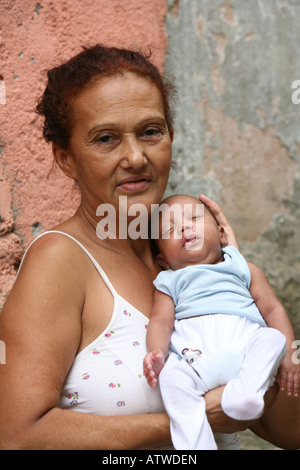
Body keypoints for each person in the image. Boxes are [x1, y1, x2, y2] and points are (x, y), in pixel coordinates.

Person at [0, 45, 299, 450]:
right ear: (66, 158)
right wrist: (192, 417)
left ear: (171, 136)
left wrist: (236, 290)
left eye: (150, 132)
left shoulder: (193, 260)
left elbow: (289, 431)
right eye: (106, 138)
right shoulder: (60, 262)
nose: (136, 157)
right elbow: (17, 437)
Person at [143, 194, 299, 449]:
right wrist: (156, 352)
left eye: (194, 217)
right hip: (196, 359)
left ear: (221, 232)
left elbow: (273, 309)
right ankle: (197, 443)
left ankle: (246, 394)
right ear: (163, 260)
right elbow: (160, 322)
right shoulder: (169, 281)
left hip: (245, 350)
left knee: (272, 337)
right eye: (170, 229)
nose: (184, 227)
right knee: (171, 376)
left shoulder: (244, 268)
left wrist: (291, 354)